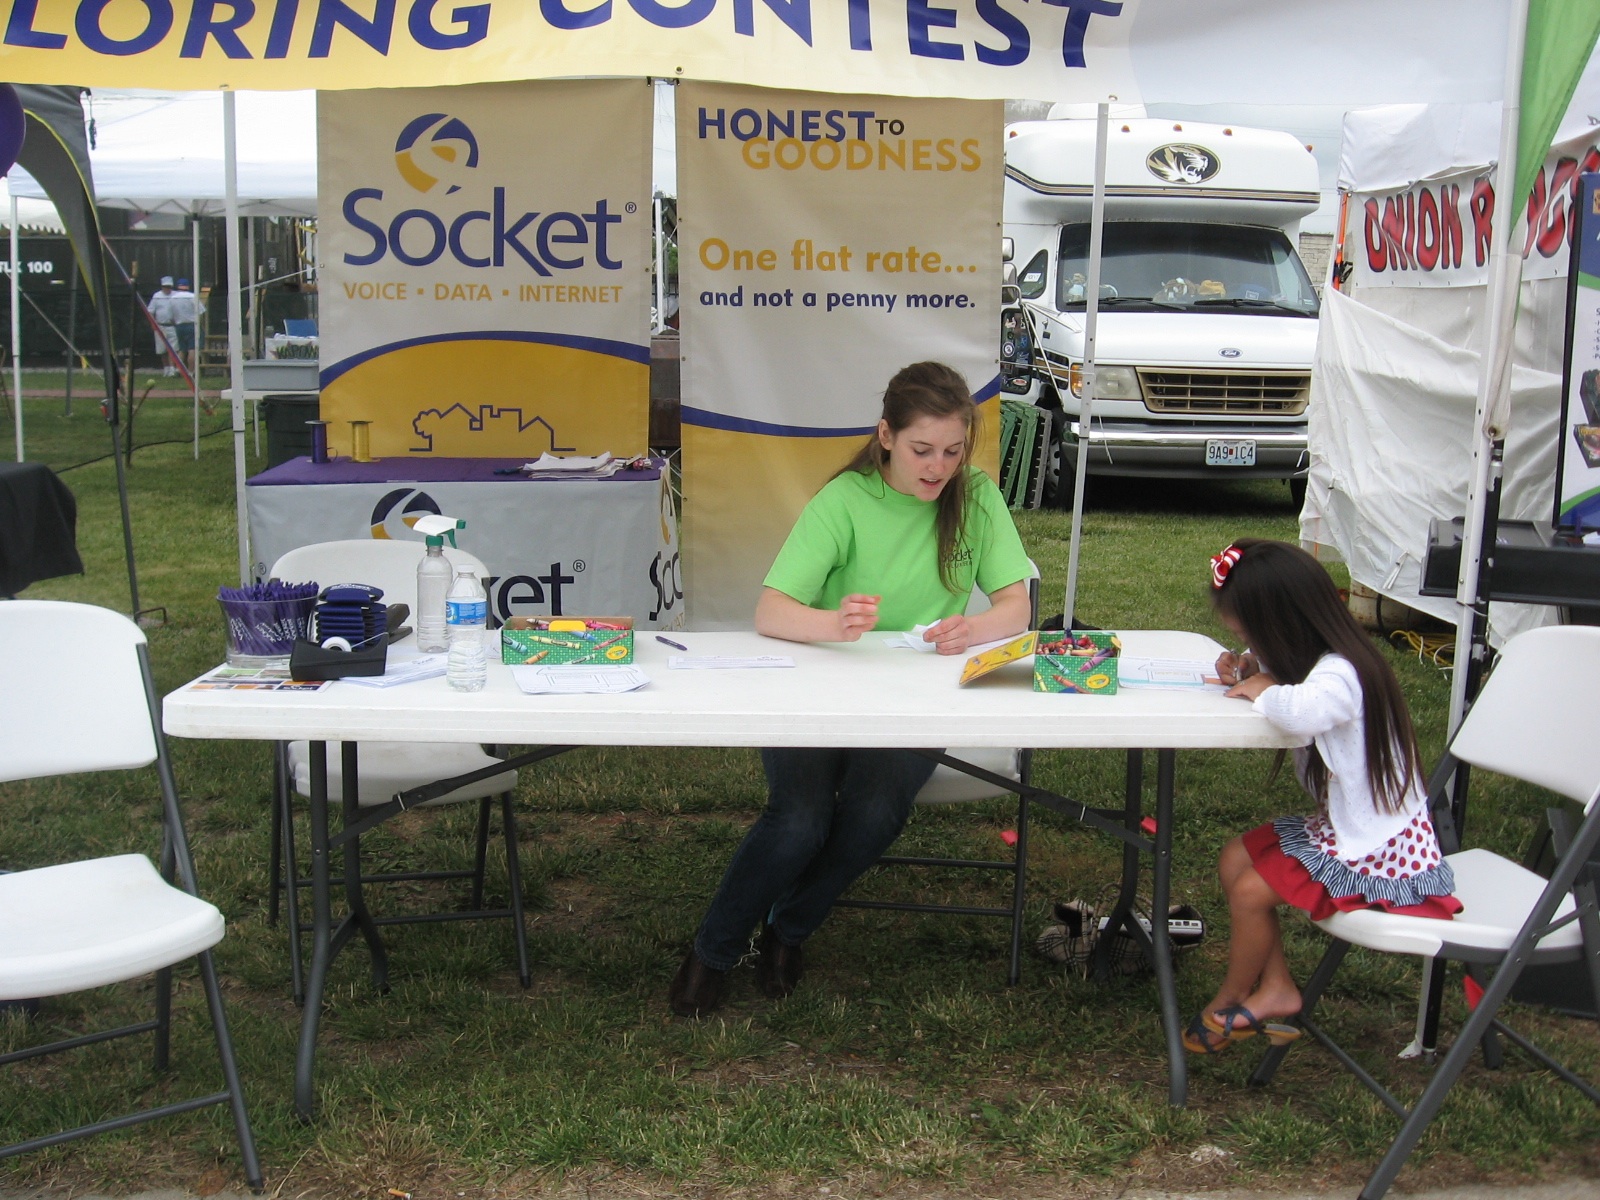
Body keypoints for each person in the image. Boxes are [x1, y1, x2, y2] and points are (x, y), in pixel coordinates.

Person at [669, 361, 1034, 1018]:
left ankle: (788, 929)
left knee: (872, 815)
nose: (938, 466)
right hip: (820, 689)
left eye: (953, 451)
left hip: (912, 695)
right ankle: (713, 952)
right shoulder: (845, 499)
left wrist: (972, 628)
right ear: (886, 435)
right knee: (799, 822)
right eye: (923, 449)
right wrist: (834, 624)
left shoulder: (976, 496)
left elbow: (1016, 607)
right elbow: (772, 612)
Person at [1184, 539, 1460, 1055]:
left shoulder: (1341, 673)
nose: (1248, 644)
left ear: (1284, 621)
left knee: (1249, 891)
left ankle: (1230, 998)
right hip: (1347, 828)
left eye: (1250, 634)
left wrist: (1262, 687)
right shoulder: (1320, 660)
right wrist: (1248, 669)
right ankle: (1278, 987)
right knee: (1233, 858)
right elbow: (1284, 682)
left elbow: (1301, 712)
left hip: (1382, 850)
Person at [170, 277, 205, 380]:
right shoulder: (192, 297)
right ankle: (191, 371)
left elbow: (171, 315)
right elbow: (201, 312)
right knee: (192, 349)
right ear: (188, 286)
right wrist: (201, 324)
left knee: (181, 349)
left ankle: (178, 369)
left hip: (179, 325)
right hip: (192, 324)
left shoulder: (173, 298)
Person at [149, 276, 178, 376]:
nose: (167, 288)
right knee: (162, 349)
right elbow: (151, 311)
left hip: (172, 326)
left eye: (169, 286)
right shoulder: (157, 296)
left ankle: (172, 369)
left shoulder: (176, 295)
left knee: (173, 349)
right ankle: (166, 368)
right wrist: (153, 323)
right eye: (165, 286)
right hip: (160, 326)